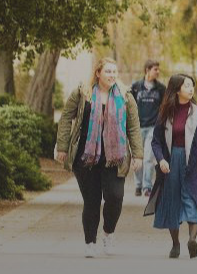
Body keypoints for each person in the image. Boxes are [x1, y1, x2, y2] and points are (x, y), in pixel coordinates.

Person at [55, 58, 142, 258]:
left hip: (115, 158)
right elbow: (66, 117)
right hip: (86, 157)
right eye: (108, 71)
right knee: (92, 201)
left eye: (114, 71)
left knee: (115, 197)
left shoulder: (125, 96)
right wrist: (62, 147)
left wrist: (137, 154)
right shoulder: (82, 93)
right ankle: (90, 242)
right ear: (98, 73)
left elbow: (133, 127)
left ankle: (108, 233)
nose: (112, 75)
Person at [150, 74, 197, 259]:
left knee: (193, 198)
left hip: (194, 162)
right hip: (171, 161)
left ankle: (192, 240)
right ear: (177, 89)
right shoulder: (165, 112)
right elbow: (156, 141)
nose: (191, 89)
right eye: (187, 86)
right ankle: (175, 243)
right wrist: (161, 160)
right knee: (173, 201)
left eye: (192, 86)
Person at [130, 60, 165, 197]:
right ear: (147, 70)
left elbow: (165, 107)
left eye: (158, 69)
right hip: (137, 127)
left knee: (149, 157)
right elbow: (129, 105)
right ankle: (138, 185)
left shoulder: (161, 89)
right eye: (155, 69)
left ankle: (147, 186)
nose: (157, 72)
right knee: (137, 157)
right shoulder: (136, 87)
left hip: (153, 127)